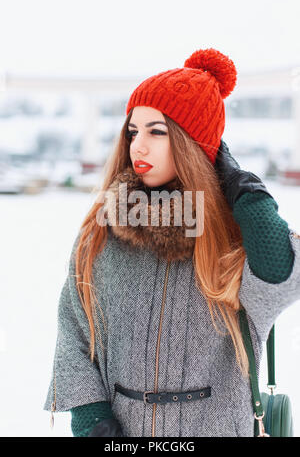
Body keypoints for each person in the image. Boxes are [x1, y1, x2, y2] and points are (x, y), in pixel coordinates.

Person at [43, 48, 300, 437]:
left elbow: (280, 275)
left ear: (190, 143)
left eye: (157, 132)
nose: (138, 146)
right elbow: (75, 330)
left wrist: (245, 189)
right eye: (133, 131)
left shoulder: (234, 236)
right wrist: (90, 417)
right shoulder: (104, 228)